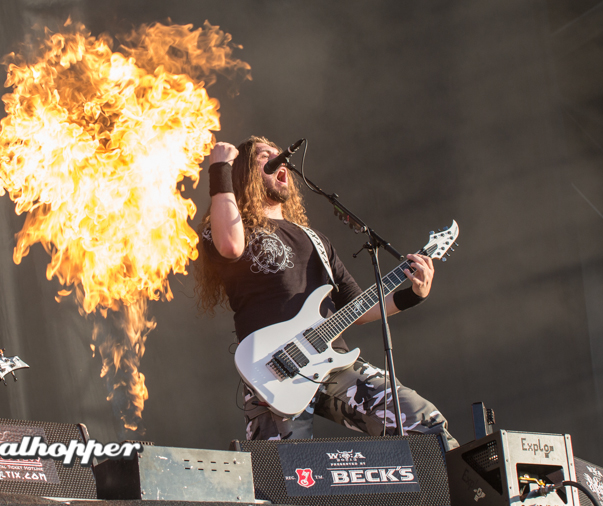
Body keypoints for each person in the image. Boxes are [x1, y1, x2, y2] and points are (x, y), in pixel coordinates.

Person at [195, 136, 458, 448]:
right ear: (245, 174)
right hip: (271, 370)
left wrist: (412, 295)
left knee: (424, 424)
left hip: (334, 364)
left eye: (280, 157)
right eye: (265, 157)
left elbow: (359, 309)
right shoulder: (230, 226)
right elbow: (230, 245)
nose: (280, 162)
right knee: (279, 473)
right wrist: (220, 171)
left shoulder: (316, 240)